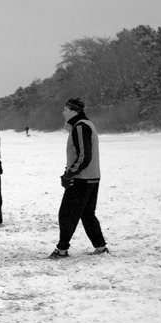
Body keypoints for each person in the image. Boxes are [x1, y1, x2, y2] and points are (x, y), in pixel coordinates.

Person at [50, 98, 108, 259]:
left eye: (65, 110)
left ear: (74, 112)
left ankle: (62, 250)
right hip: (92, 177)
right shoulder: (84, 125)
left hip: (82, 179)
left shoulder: (80, 127)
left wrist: (69, 174)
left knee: (66, 214)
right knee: (87, 214)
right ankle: (100, 247)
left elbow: (84, 156)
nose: (63, 113)